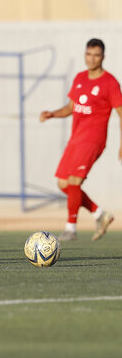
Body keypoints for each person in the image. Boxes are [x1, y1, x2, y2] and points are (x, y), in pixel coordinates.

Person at [40, 38, 122, 241]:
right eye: (89, 54)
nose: (92, 58)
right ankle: (99, 214)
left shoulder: (110, 82)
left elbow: (121, 113)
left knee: (75, 181)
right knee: (63, 184)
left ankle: (70, 228)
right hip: (76, 138)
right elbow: (70, 108)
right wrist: (52, 114)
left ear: (103, 56)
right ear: (85, 54)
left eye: (96, 55)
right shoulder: (80, 78)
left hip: (94, 139)